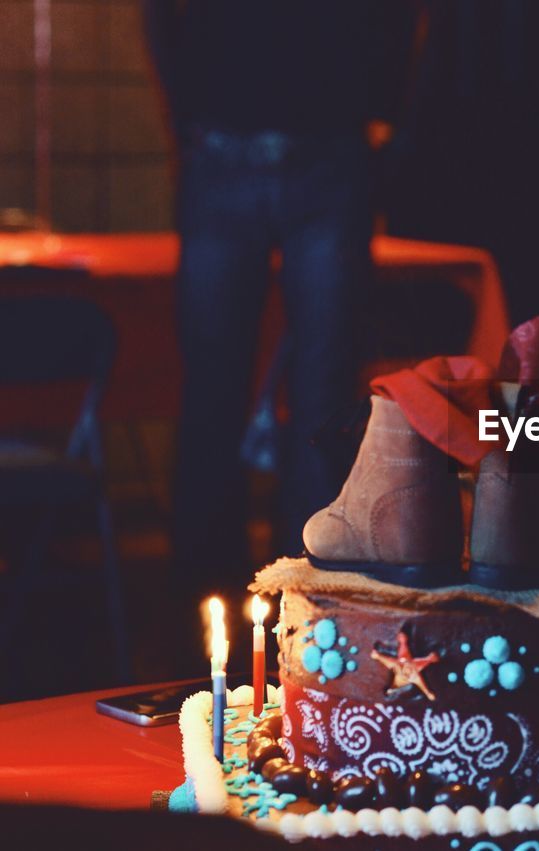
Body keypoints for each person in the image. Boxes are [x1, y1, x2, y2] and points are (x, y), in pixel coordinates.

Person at [141, 1, 425, 609]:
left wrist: (384, 115)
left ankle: (306, 578)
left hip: (325, 151)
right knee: (217, 380)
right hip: (230, 148)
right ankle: (201, 588)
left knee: (320, 381)